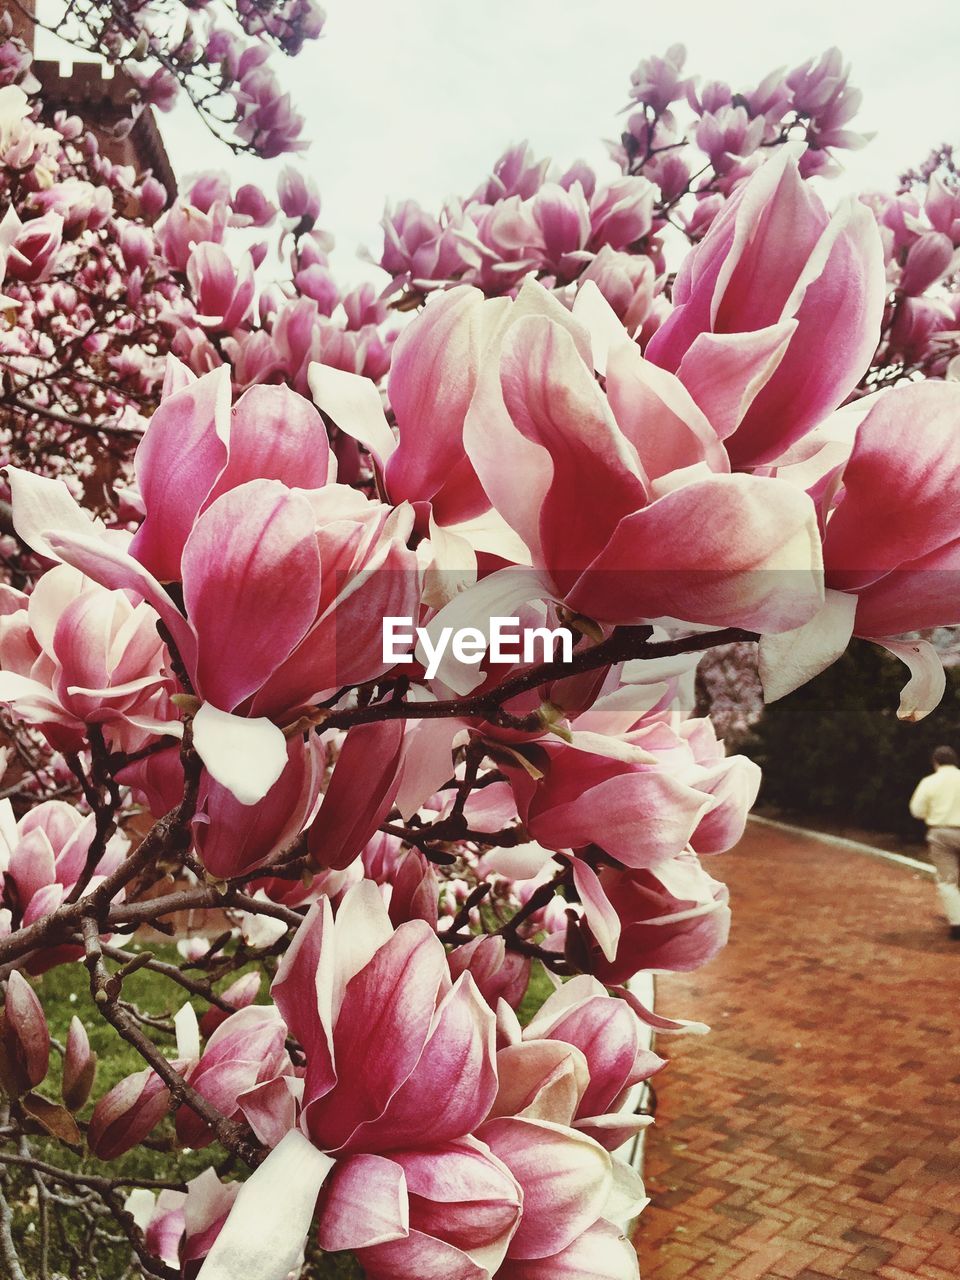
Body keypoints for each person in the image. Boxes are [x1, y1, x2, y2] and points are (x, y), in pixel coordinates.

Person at [909, 746, 960, 940]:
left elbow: (917, 810)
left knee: (948, 880)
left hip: (942, 833)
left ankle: (958, 925)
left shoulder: (929, 781)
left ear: (935, 762)